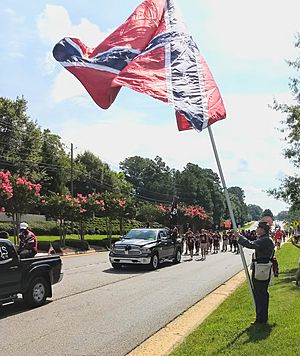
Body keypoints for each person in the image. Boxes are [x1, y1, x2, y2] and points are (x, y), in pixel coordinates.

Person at [234, 221, 275, 325]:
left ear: (262, 229)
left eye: (258, 228)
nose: (256, 230)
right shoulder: (265, 239)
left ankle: (261, 318)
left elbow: (250, 244)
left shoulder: (265, 240)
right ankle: (261, 317)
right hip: (262, 268)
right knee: (261, 293)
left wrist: (239, 237)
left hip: (261, 269)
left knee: (259, 293)